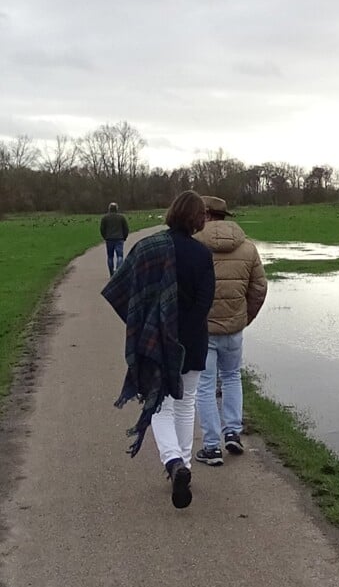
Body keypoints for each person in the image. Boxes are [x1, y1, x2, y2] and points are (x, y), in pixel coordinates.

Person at [101, 190, 214, 509]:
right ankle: (186, 467)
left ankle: (173, 463)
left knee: (160, 405)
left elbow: (121, 291)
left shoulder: (147, 248)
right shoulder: (202, 255)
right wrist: (183, 335)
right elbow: (205, 303)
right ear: (197, 218)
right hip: (192, 343)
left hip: (156, 342)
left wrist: (145, 325)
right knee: (185, 402)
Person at [193, 196, 267, 466]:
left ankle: (211, 447)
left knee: (205, 385)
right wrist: (245, 317)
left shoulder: (195, 245)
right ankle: (233, 432)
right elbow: (259, 288)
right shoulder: (248, 248)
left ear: (207, 215)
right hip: (234, 327)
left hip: (203, 329)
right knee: (232, 377)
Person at [100, 202, 130, 276]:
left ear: (109, 209)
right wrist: (124, 237)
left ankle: (111, 273)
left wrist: (105, 236)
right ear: (117, 209)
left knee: (110, 256)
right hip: (119, 238)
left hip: (109, 239)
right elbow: (126, 228)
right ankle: (118, 271)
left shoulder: (105, 218)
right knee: (120, 256)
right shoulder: (121, 217)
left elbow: (102, 229)